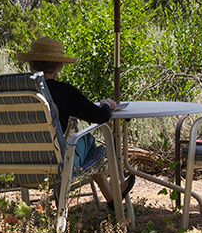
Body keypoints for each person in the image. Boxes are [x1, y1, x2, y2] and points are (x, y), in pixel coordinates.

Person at [16, 36, 134, 210]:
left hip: (17, 162)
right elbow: (100, 116)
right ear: (57, 65)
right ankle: (112, 197)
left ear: (31, 64)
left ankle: (111, 197)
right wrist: (106, 105)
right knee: (86, 141)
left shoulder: (15, 90)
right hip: (54, 166)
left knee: (79, 144)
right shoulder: (65, 92)